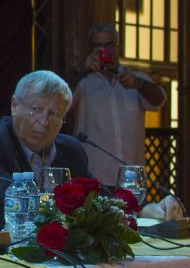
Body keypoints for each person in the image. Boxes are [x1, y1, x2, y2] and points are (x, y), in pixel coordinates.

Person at [0, 70, 91, 239]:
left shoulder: (71, 150)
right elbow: (4, 206)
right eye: (36, 109)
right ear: (15, 106)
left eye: (54, 114)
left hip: (55, 255)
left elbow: (94, 200)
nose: (44, 121)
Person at [71, 23, 167, 184]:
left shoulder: (135, 78)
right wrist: (80, 71)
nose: (104, 50)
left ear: (117, 47)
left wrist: (139, 84)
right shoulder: (83, 82)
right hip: (94, 175)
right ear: (90, 49)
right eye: (98, 46)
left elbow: (159, 100)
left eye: (109, 45)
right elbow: (61, 102)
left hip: (131, 176)